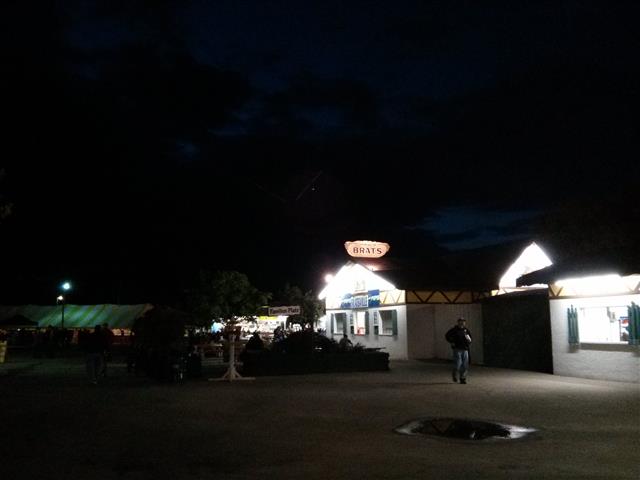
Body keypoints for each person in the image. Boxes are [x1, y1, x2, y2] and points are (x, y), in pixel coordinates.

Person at [445, 317, 472, 384]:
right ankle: (454, 374)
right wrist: (451, 342)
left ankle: (462, 378)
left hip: (465, 349)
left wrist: (469, 342)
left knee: (465, 365)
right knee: (458, 364)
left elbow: (470, 338)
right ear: (458, 322)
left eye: (463, 321)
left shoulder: (466, 330)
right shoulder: (454, 330)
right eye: (461, 321)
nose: (462, 322)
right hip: (457, 349)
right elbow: (447, 336)